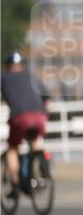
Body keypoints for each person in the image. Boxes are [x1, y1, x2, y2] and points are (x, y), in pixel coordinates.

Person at [1, 52, 51, 189]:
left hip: (20, 118)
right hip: (40, 116)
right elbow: (47, 98)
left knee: (12, 148)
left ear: (7, 65)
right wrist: (46, 116)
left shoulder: (4, 78)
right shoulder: (31, 75)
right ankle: (43, 170)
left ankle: (16, 182)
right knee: (36, 142)